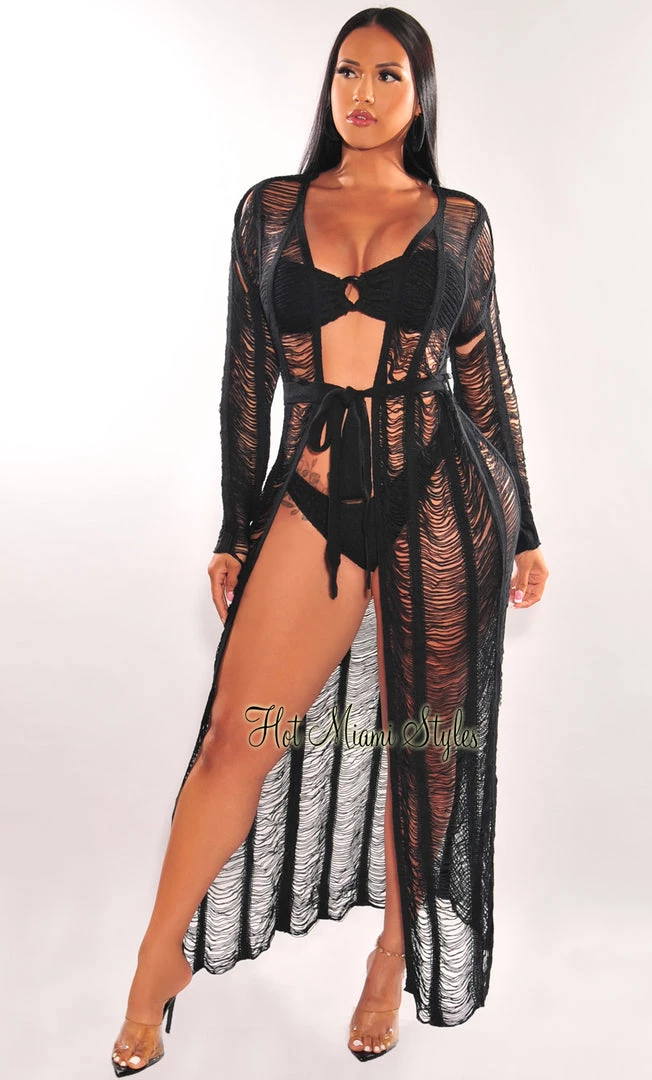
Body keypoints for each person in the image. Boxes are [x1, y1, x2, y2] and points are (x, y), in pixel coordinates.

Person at [111, 6, 549, 1074]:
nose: (363, 90)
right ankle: (155, 964)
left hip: (443, 496)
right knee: (238, 735)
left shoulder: (457, 223)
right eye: (348, 70)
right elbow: (246, 375)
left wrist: (527, 528)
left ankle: (392, 957)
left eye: (388, 74)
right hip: (309, 500)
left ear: (419, 96)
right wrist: (234, 525)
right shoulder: (270, 211)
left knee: (421, 743)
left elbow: (483, 371)